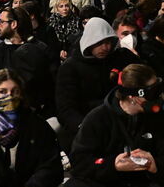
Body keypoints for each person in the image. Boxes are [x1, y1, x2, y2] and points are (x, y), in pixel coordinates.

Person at [54, 17, 138, 154]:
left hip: (121, 124)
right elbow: (66, 108)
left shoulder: (119, 59)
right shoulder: (70, 68)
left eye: (109, 42)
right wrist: (84, 128)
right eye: (100, 43)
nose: (106, 47)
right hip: (87, 127)